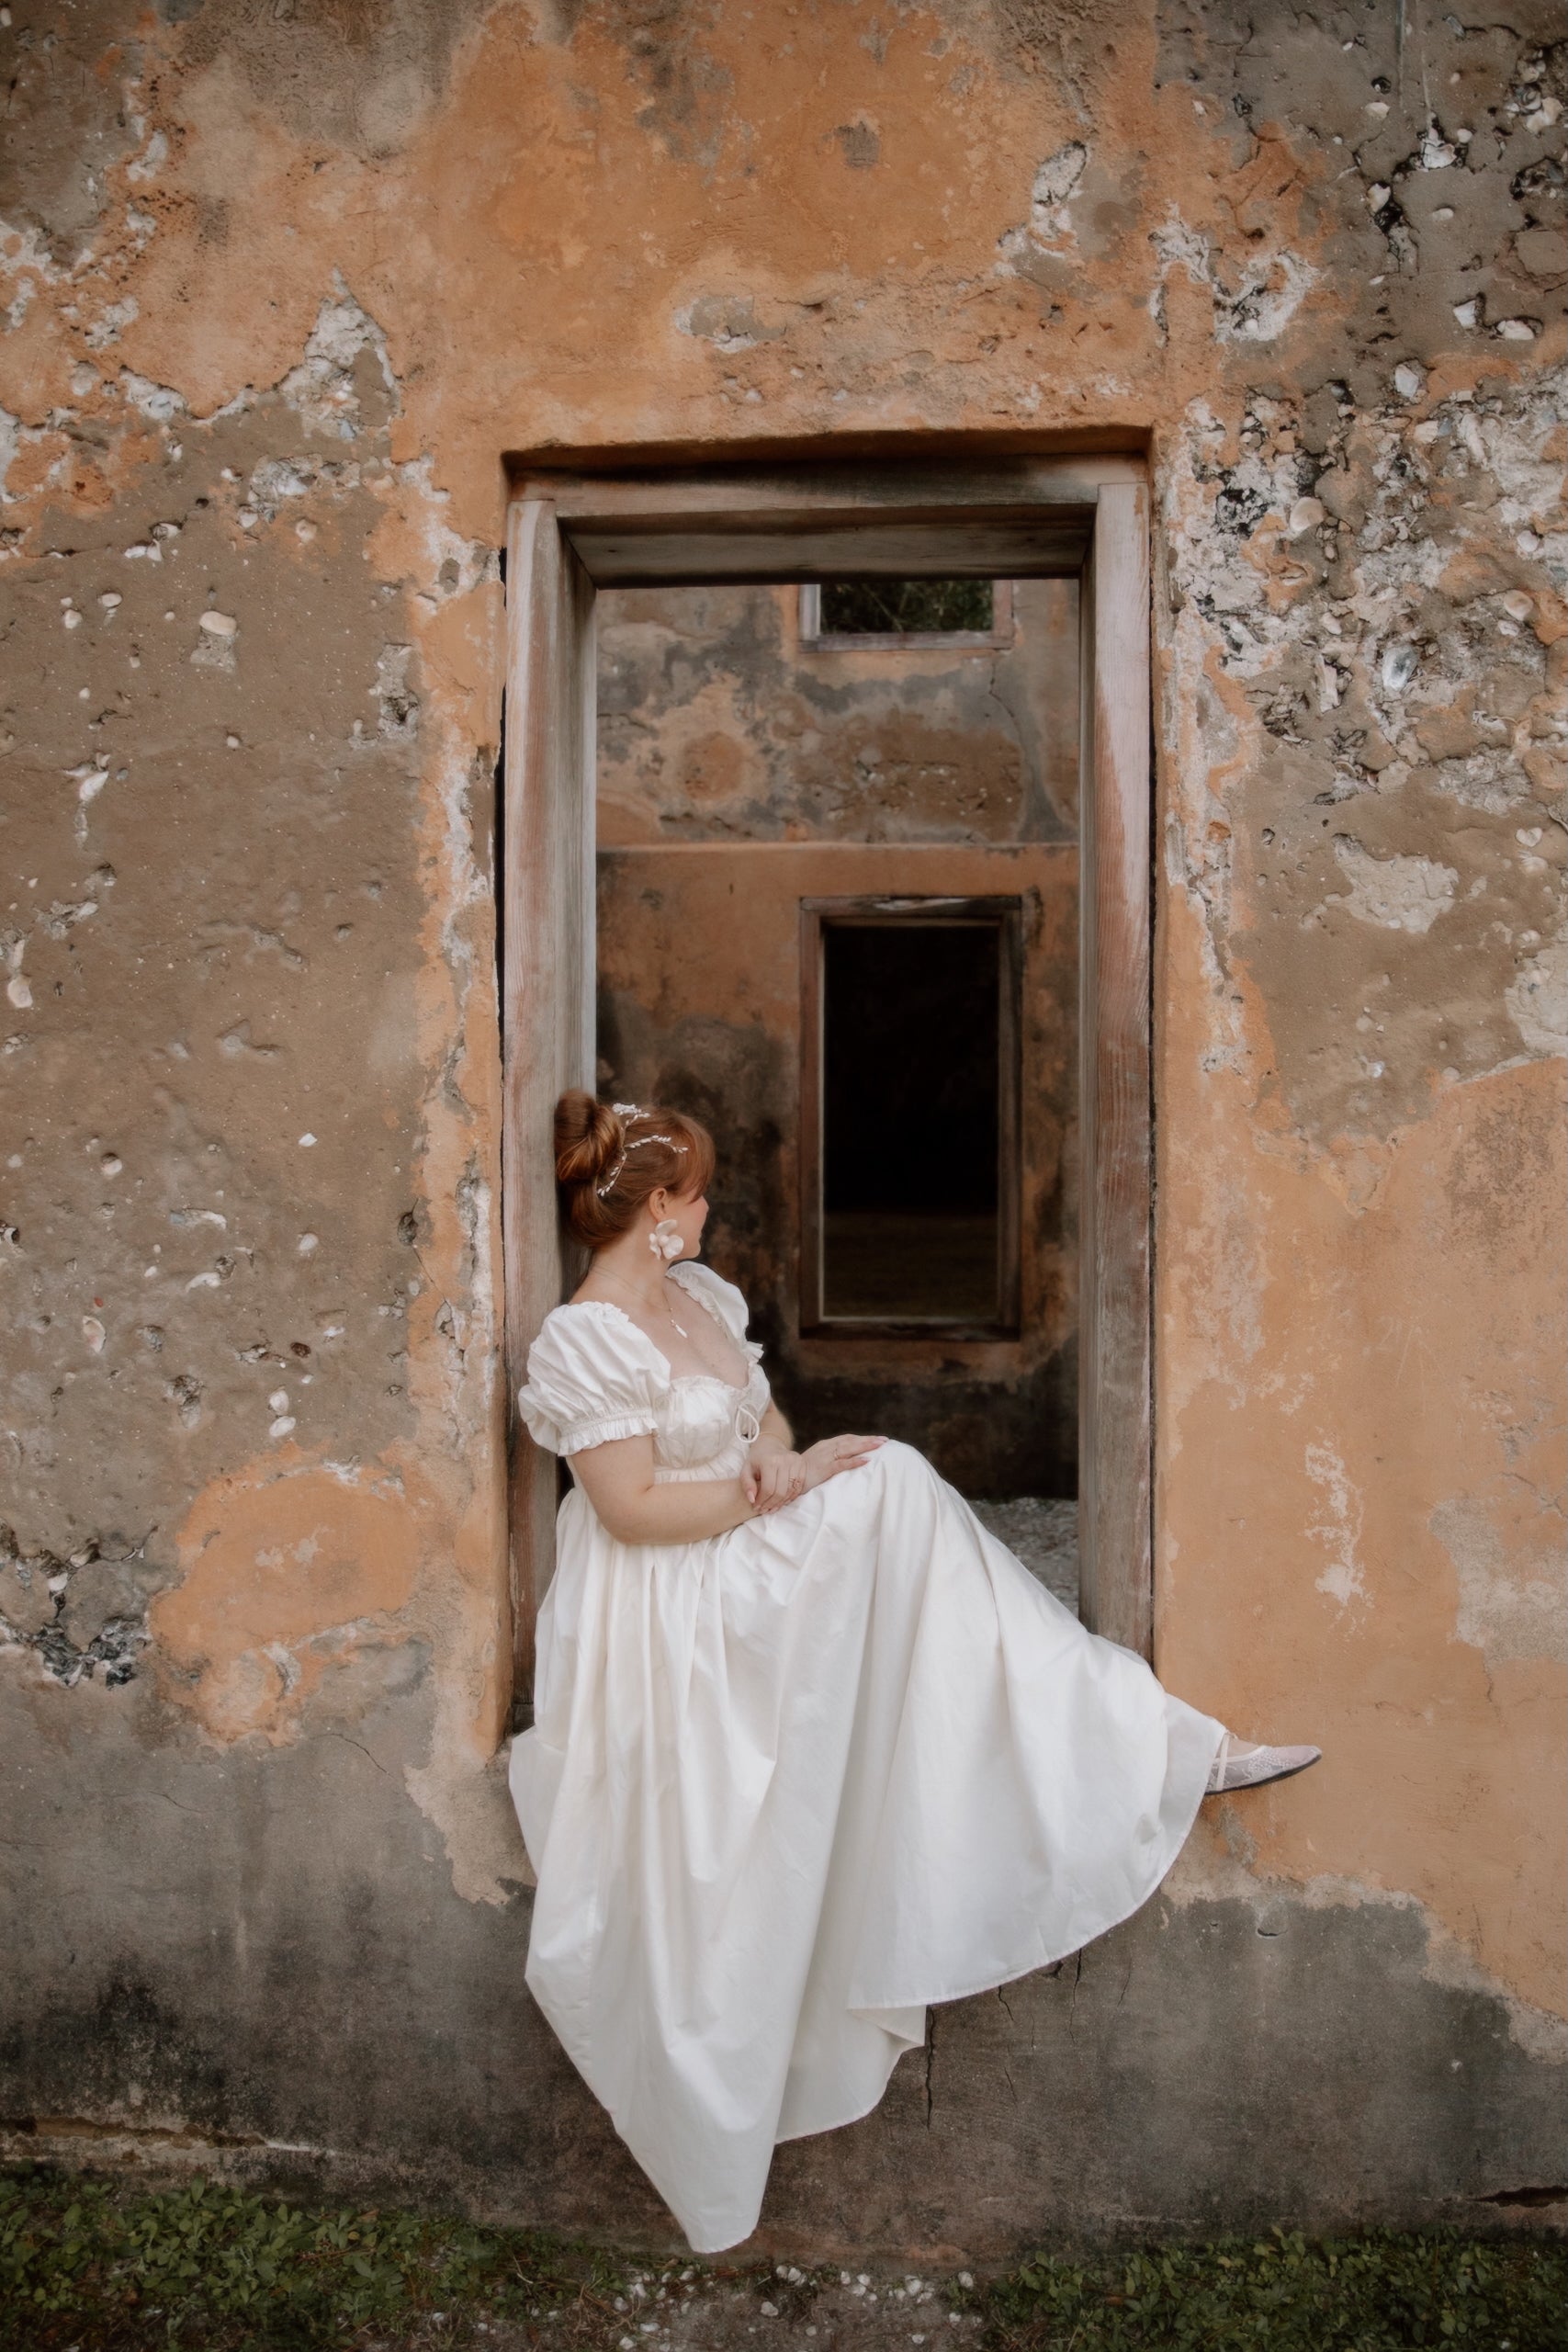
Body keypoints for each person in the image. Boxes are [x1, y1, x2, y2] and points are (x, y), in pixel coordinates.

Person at [508, 1091, 1320, 2253]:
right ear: (659, 1210)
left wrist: (790, 1467)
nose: (710, 1208)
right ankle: (1140, 1733)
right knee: (889, 1486)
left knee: (887, 1481)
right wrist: (774, 1492)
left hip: (733, 1545)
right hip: (665, 1599)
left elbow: (767, 1431)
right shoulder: (584, 1337)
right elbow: (630, 1509)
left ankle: (1115, 1727)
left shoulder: (699, 1300)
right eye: (699, 1192)